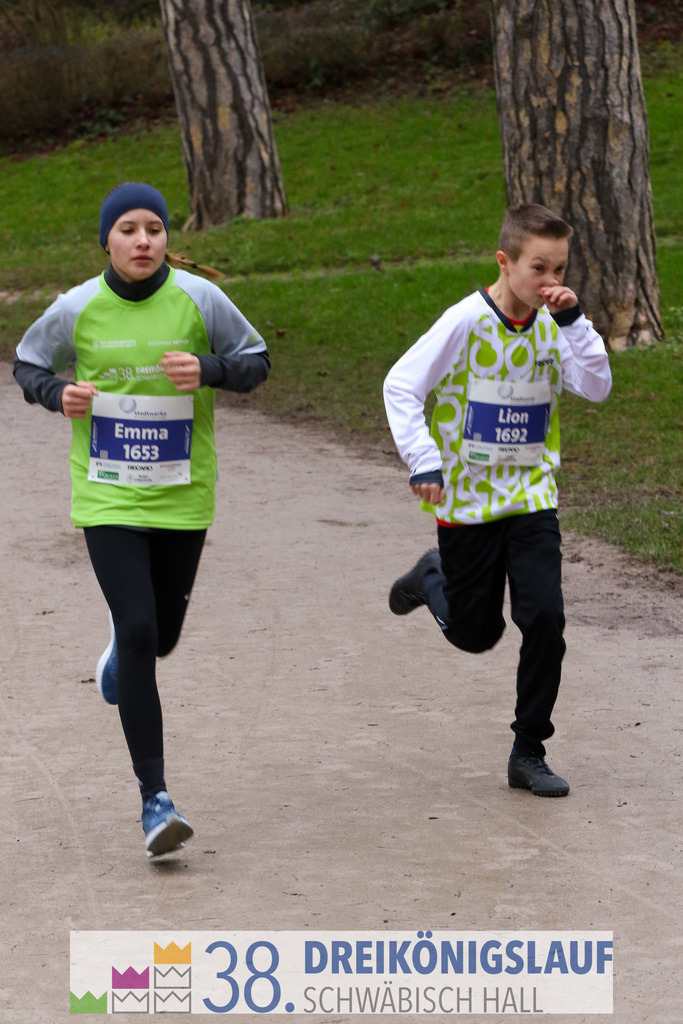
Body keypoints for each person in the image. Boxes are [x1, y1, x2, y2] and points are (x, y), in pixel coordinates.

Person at [14, 182, 270, 855]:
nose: (142, 241)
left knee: (158, 640)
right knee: (136, 626)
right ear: (107, 239)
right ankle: (155, 801)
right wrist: (58, 393)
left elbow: (256, 361)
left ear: (165, 239)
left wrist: (210, 368)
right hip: (108, 496)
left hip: (182, 495)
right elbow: (27, 363)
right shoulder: (76, 307)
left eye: (153, 228)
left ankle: (120, 665)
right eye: (128, 229)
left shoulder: (199, 298)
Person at [383, 204, 612, 797]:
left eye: (560, 268)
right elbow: (401, 385)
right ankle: (430, 579)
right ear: (505, 262)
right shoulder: (464, 321)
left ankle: (528, 750)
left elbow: (596, 386)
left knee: (546, 619)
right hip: (467, 505)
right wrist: (424, 460)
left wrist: (577, 322)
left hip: (532, 498)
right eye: (539, 268)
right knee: (473, 634)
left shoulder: (556, 324)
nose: (551, 282)